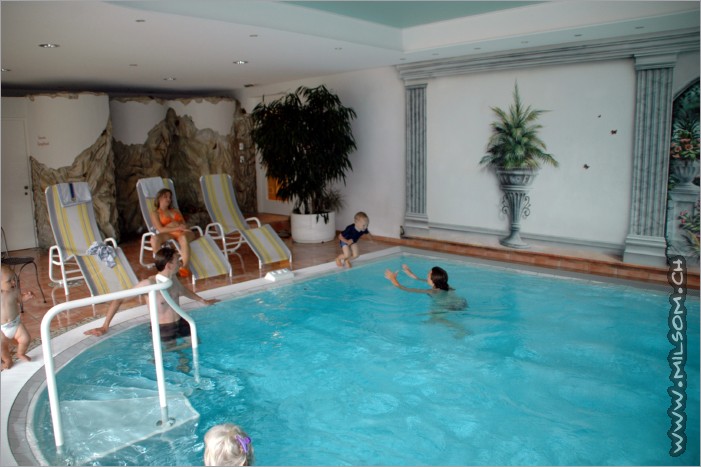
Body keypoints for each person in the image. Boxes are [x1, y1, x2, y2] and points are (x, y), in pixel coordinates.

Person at [84, 246, 218, 345]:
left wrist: (203, 300)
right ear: (169, 265)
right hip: (162, 328)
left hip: (181, 322)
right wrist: (105, 326)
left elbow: (183, 290)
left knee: (196, 346)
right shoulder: (149, 284)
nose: (180, 263)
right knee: (169, 356)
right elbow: (119, 299)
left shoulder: (173, 279)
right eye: (178, 260)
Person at [150, 188, 196, 277]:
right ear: (159, 198)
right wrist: (175, 227)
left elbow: (184, 224)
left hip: (183, 232)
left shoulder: (175, 210)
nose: (169, 199)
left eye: (170, 197)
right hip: (170, 233)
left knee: (183, 238)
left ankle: (185, 267)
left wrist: (176, 227)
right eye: (165, 197)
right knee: (154, 239)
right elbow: (160, 229)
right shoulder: (155, 213)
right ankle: (162, 264)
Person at [384, 264, 468, 311]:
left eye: (428, 274)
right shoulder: (445, 284)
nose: (427, 274)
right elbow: (422, 280)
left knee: (435, 320)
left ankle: (459, 329)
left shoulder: (433, 291)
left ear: (433, 280)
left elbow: (405, 289)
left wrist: (393, 279)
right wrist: (411, 274)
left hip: (450, 307)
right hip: (462, 303)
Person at [1, 264, 33, 370]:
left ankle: (20, 353)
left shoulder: (14, 291)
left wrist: (27, 297)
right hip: (1, 328)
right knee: (2, 347)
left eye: (14, 279)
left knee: (26, 339)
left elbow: (20, 300)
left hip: (16, 324)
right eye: (9, 281)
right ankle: (7, 360)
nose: (13, 282)